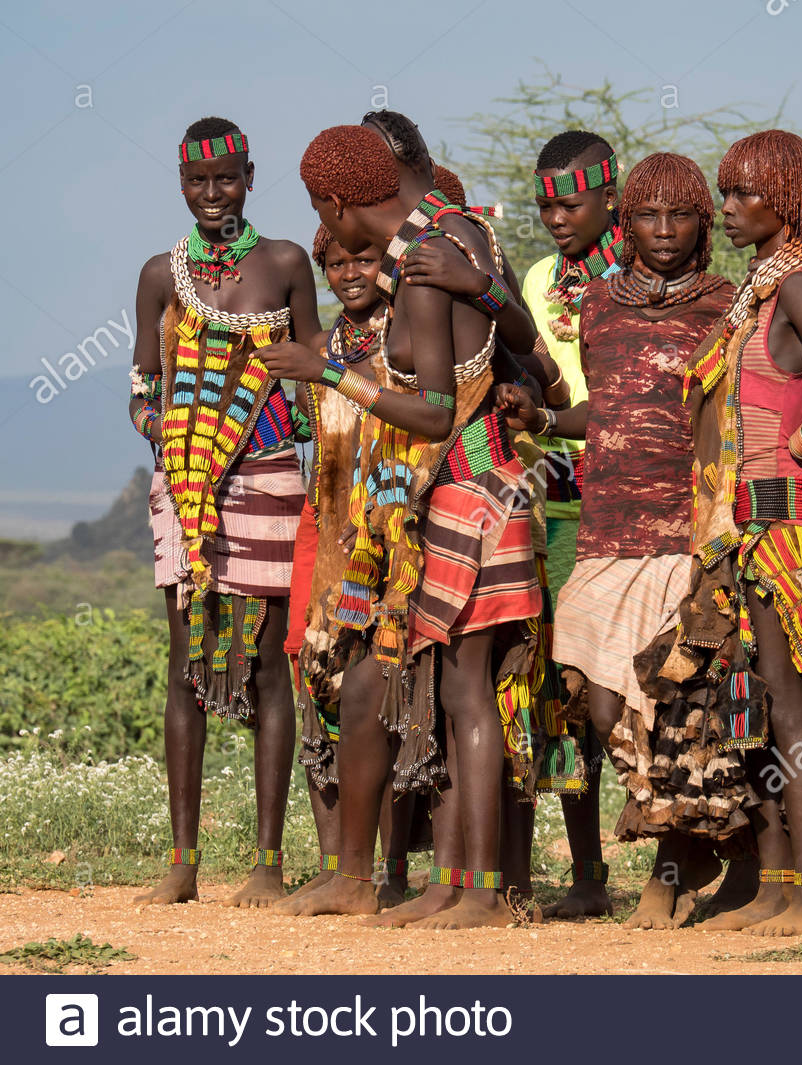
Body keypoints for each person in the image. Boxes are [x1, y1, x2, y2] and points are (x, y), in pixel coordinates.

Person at [264, 125, 540, 928]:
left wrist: (327, 371)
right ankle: (457, 884)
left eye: (325, 214)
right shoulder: (463, 228)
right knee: (453, 689)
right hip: (475, 486)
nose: (336, 239)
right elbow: (515, 333)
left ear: (338, 202)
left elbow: (432, 411)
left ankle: (483, 890)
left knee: (466, 690)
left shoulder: (421, 257)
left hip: (467, 485)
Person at [633, 130, 802, 938]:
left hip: (776, 522)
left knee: (790, 707)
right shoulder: (758, 293)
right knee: (751, 707)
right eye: (726, 195)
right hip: (732, 528)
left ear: (788, 201)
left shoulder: (800, 285)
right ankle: (771, 883)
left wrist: (799, 452)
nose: (726, 209)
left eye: (742, 195)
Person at [497, 152, 736, 927]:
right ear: (628, 219)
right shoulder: (589, 302)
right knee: (589, 703)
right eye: (650, 216)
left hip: (681, 528)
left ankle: (673, 868)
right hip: (593, 524)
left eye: (681, 216)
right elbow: (600, 410)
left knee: (666, 699)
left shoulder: (725, 306)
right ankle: (593, 868)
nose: (663, 232)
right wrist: (541, 420)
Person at [129, 116, 320, 906]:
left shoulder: (283, 264)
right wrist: (175, 442)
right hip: (183, 489)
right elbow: (144, 385)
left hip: (271, 479)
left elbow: (315, 372)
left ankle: (269, 864)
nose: (213, 196)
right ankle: (183, 861)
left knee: (270, 665)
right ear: (181, 184)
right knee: (187, 667)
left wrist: (265, 424)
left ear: (249, 175)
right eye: (198, 183)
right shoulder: (157, 275)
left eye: (227, 179)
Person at [279, 227, 418, 908]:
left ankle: (389, 873)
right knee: (320, 683)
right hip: (330, 533)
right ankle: (341, 866)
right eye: (334, 263)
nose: (347, 273)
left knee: (387, 698)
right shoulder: (327, 345)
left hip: (396, 536)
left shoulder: (407, 333)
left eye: (362, 258)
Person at [520, 129, 624, 918]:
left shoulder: (645, 276)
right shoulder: (536, 280)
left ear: (609, 195)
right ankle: (587, 869)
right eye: (545, 203)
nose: (557, 216)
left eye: (572, 201)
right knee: (563, 686)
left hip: (640, 498)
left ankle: (691, 861)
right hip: (556, 499)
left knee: (653, 682)